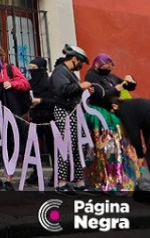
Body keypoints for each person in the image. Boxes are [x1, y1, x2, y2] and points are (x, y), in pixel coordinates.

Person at [83, 54, 139, 194]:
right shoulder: (91, 76)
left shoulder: (112, 77)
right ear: (98, 64)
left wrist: (130, 80)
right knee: (106, 147)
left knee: (122, 143)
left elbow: (129, 86)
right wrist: (117, 89)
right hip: (100, 114)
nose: (109, 68)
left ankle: (122, 176)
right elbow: (99, 94)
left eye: (111, 65)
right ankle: (104, 178)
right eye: (106, 65)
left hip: (113, 113)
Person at [0, 44, 30, 191]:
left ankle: (9, 177)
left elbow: (25, 84)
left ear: (0, 58)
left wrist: (12, 83)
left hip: (10, 112)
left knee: (10, 143)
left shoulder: (10, 69)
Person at [50, 43, 93, 197]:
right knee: (66, 146)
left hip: (73, 112)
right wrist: (81, 87)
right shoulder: (60, 71)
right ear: (75, 58)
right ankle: (61, 183)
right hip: (64, 112)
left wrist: (83, 88)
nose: (81, 66)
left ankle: (79, 182)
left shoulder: (68, 72)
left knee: (78, 147)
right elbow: (62, 90)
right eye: (81, 62)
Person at [24, 57, 56, 186]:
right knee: (33, 147)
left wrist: (41, 101)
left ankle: (56, 173)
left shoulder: (50, 83)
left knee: (52, 147)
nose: (32, 71)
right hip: (35, 117)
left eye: (34, 69)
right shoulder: (30, 83)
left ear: (41, 69)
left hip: (49, 118)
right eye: (30, 69)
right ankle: (36, 172)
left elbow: (56, 101)